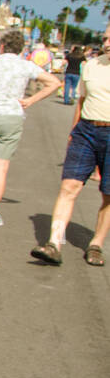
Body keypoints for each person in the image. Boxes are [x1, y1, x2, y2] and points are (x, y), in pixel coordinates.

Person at [0, 28, 61, 226]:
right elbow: (54, 83)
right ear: (21, 48)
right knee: (1, 167)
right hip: (11, 115)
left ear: (2, 46)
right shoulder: (26, 66)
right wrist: (31, 100)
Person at [31, 25, 110, 267]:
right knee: (69, 186)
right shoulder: (92, 65)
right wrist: (74, 130)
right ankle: (54, 243)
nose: (106, 42)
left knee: (108, 194)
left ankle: (96, 244)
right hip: (86, 130)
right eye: (105, 37)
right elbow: (83, 100)